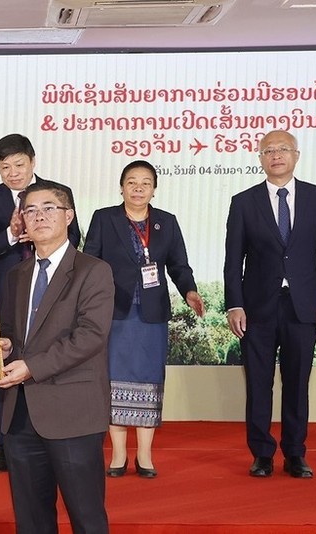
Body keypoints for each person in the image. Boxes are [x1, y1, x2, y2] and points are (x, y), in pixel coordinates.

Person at [0, 181, 114, 534]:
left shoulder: (93, 271)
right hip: (20, 415)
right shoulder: (16, 274)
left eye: (49, 208)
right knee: (31, 520)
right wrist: (3, 347)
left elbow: (90, 335)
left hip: (72, 413)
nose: (39, 216)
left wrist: (30, 367)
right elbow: (14, 335)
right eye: (30, 210)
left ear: (69, 216)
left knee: (86, 517)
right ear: (22, 221)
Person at [224, 130, 316, 479]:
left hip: (303, 307)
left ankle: (295, 454)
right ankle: (261, 454)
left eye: (283, 149)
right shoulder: (244, 202)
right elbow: (234, 260)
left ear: (296, 155)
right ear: (260, 158)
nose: (276, 156)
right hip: (257, 308)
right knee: (258, 383)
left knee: (297, 382)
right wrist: (235, 305)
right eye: (268, 151)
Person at [83, 159, 204, 478]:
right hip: (114, 313)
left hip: (151, 316)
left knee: (148, 382)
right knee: (115, 383)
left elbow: (179, 265)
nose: (138, 188)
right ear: (121, 186)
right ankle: (119, 456)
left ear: (154, 189)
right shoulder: (104, 218)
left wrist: (189, 291)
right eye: (132, 182)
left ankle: (146, 456)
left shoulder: (167, 221)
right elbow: (90, 262)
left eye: (145, 182)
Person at [0, 133, 81, 472]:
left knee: (47, 359)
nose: (13, 173)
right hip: (10, 290)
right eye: (5, 167)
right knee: (5, 362)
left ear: (33, 162)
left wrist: (43, 235)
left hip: (51, 291)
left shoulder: (56, 193)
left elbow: (75, 238)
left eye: (19, 165)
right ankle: (2, 445)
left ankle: (51, 434)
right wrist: (10, 234)